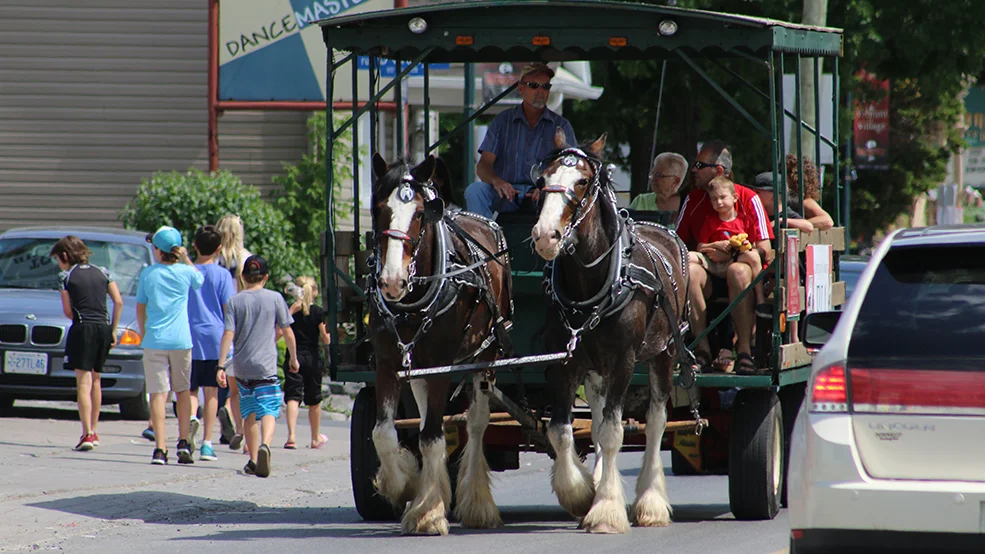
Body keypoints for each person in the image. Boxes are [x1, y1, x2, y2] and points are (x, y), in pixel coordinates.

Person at [676, 140, 772, 375]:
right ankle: (702, 349)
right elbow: (677, 241)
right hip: (707, 269)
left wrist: (733, 250)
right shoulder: (694, 198)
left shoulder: (748, 197)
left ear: (718, 170)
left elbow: (765, 249)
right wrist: (707, 248)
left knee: (737, 271)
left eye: (699, 165)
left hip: (741, 270)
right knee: (690, 269)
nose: (693, 170)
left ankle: (744, 351)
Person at [217, 255, 300, 478]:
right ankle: (265, 444)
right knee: (270, 408)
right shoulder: (275, 298)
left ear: (243, 277)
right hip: (265, 367)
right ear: (266, 277)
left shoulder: (235, 301)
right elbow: (288, 331)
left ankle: (253, 459)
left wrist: (221, 365)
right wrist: (293, 358)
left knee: (250, 412)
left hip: (242, 368)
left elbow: (228, 334)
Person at [464, 62, 578, 219]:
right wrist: (498, 182)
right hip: (507, 193)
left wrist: (548, 186)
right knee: (475, 191)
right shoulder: (502, 121)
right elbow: (483, 165)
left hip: (545, 194)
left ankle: (558, 240)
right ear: (521, 88)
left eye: (545, 86)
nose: (540, 91)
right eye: (534, 85)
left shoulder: (562, 125)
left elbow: (570, 168)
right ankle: (481, 240)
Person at [137, 226, 204, 465]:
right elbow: (199, 280)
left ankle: (160, 448)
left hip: (154, 339)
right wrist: (186, 259)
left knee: (157, 393)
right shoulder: (185, 273)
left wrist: (145, 334)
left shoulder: (148, 274)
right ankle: (184, 440)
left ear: (158, 250)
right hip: (181, 339)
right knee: (182, 390)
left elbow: (141, 307)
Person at [50, 236, 123, 451]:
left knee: (83, 382)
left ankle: (87, 433)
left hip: (83, 327)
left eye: (58, 259)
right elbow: (118, 301)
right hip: (103, 327)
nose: (58, 264)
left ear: (65, 256)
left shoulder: (65, 276)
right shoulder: (103, 271)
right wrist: (113, 329)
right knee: (96, 380)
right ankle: (95, 429)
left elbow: (68, 311)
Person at [687, 176, 768, 323]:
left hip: (735, 258)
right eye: (714, 199)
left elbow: (753, 246)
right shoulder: (710, 221)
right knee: (688, 257)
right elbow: (701, 246)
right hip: (713, 261)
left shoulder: (744, 220)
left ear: (735, 197)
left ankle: (760, 299)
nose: (719, 202)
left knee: (753, 257)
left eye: (723, 197)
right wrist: (716, 245)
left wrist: (738, 247)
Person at [186, 225, 236, 461]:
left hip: (188, 335)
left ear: (194, 245)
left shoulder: (186, 271)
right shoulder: (223, 275)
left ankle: (189, 426)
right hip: (215, 338)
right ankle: (207, 443)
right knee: (212, 391)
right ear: (219, 249)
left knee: (190, 388)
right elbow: (229, 309)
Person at [215, 214, 252, 450]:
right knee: (244, 384)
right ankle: (244, 431)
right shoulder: (246, 259)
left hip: (216, 322)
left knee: (226, 383)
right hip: (241, 322)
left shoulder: (215, 258)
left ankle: (229, 423)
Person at [280, 276, 331, 450]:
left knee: (293, 397)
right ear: (314, 291)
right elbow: (325, 338)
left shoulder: (292, 310)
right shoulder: (318, 312)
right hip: (313, 358)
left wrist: (290, 312)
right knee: (314, 399)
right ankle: (315, 437)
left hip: (294, 357)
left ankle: (291, 437)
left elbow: (279, 333)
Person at [629, 152, 689, 218]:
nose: (653, 179)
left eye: (659, 175)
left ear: (675, 181)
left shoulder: (687, 206)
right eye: (652, 174)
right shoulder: (641, 201)